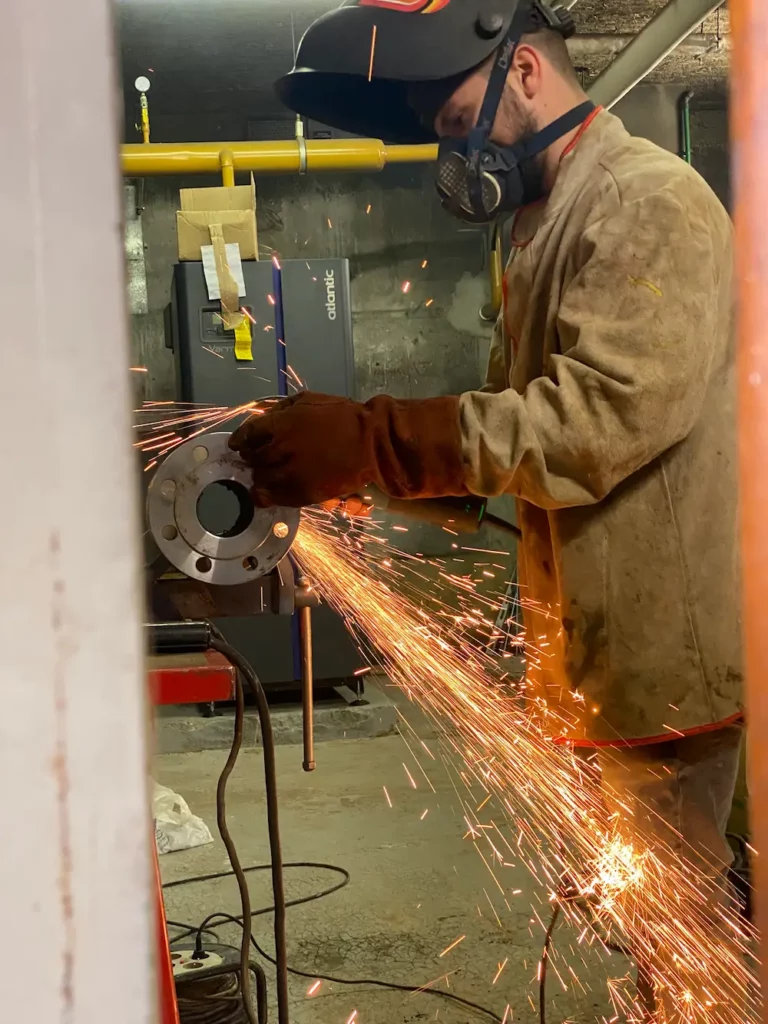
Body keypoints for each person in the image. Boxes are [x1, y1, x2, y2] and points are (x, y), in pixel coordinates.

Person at [230, 2, 743, 1015]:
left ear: (523, 72)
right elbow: (514, 437)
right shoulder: (542, 221)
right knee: (654, 930)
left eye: (455, 110)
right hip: (600, 648)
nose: (446, 142)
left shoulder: (650, 202)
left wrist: (380, 438)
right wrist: (358, 475)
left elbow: (593, 422)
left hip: (667, 660)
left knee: (688, 943)